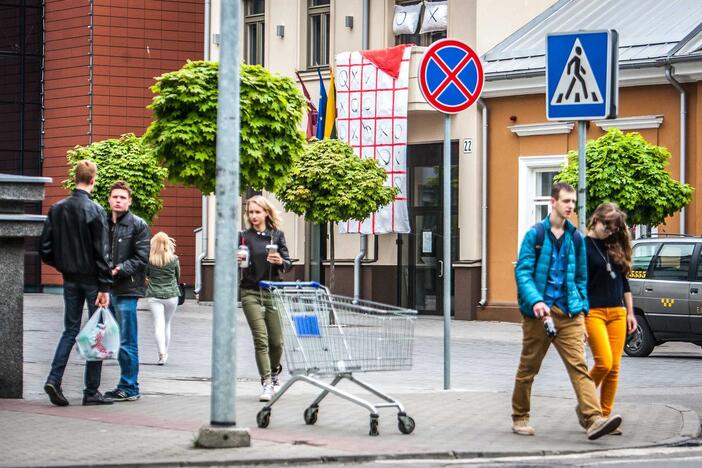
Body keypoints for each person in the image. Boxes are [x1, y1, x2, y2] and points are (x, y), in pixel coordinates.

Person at [512, 182, 622, 440]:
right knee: (529, 368)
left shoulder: (575, 238)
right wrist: (536, 301)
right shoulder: (535, 235)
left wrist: (582, 313)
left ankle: (593, 419)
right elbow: (523, 271)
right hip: (539, 314)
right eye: (566, 201)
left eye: (573, 202)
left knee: (579, 367)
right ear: (553, 202)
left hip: (569, 313)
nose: (570, 206)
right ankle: (520, 416)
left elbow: (581, 278)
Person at [40, 160, 114, 406]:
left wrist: (63, 266)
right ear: (93, 180)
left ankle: (54, 378)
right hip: (93, 280)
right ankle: (91, 391)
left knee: (70, 330)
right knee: (96, 332)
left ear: (75, 178)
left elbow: (45, 249)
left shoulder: (57, 208)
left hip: (70, 279)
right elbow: (102, 253)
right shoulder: (96, 210)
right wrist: (104, 287)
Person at [584, 203, 637, 434]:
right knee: (603, 362)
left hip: (618, 313)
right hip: (593, 312)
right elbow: (579, 284)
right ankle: (585, 403)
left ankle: (604, 417)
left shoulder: (613, 244)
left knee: (614, 367)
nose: (609, 231)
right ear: (596, 219)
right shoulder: (582, 246)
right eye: (606, 226)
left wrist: (630, 313)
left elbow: (624, 283)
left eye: (614, 228)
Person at [238, 195, 292, 402]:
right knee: (260, 339)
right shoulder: (243, 237)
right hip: (250, 291)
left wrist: (280, 261)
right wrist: (236, 259)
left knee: (276, 341)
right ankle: (267, 382)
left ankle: (275, 371)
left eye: (257, 212)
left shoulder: (276, 236)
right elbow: (237, 259)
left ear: (266, 213)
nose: (253, 216)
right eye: (250, 212)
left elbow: (288, 263)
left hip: (272, 291)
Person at [103, 180, 150, 402]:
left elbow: (142, 258)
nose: (118, 200)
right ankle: (105, 386)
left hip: (127, 289)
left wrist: (119, 269)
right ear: (109, 199)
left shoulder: (138, 225)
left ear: (129, 201)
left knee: (127, 340)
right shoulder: (103, 222)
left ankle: (130, 386)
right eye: (115, 197)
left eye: (123, 197)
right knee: (104, 338)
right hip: (105, 288)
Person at [145, 232, 181, 365]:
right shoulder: (174, 259)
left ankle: (162, 354)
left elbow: (146, 275)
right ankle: (166, 351)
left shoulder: (150, 260)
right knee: (167, 323)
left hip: (154, 295)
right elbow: (178, 276)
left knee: (158, 324)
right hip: (172, 295)